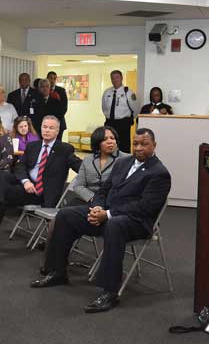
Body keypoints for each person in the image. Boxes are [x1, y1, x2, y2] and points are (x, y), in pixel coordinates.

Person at [31, 128, 171, 313]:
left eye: (144, 144)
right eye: (135, 144)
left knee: (114, 225)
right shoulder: (123, 162)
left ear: (154, 145)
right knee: (65, 215)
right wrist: (96, 207)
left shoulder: (159, 173)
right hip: (107, 213)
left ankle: (110, 292)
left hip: (136, 221)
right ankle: (57, 272)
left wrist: (108, 214)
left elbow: (144, 208)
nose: (138, 148)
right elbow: (104, 190)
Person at [0, 116, 81, 251]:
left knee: (1, 195)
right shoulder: (33, 146)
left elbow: (80, 166)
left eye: (51, 128)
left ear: (57, 131)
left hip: (41, 192)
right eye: (44, 127)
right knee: (2, 176)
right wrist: (25, 181)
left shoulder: (65, 149)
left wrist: (99, 165)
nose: (47, 130)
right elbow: (20, 167)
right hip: (26, 186)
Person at [68, 126, 122, 205]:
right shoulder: (88, 160)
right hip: (92, 201)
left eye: (112, 138)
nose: (110, 141)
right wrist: (94, 198)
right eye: (105, 139)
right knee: (67, 210)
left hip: (113, 203)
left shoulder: (125, 159)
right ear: (97, 142)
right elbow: (78, 185)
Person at [102, 70, 141, 153]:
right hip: (110, 123)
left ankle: (125, 164)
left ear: (121, 78)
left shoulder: (128, 92)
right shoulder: (107, 92)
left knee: (123, 146)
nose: (115, 80)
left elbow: (136, 109)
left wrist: (128, 119)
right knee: (109, 145)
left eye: (117, 77)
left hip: (123, 124)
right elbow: (104, 108)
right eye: (112, 78)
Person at [38, 76, 68, 141]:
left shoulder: (56, 101)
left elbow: (60, 114)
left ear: (50, 88)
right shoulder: (36, 101)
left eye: (47, 86)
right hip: (41, 128)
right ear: (39, 88)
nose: (45, 89)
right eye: (42, 87)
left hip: (55, 127)